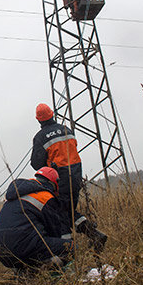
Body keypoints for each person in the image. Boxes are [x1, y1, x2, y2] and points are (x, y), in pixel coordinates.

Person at [31, 103, 107, 251]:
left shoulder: (40, 137)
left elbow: (36, 164)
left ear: (38, 120)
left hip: (59, 179)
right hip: (76, 175)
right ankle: (94, 234)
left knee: (60, 214)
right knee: (69, 211)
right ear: (52, 115)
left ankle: (68, 250)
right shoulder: (67, 130)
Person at [0, 167, 73, 272]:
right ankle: (45, 272)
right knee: (70, 247)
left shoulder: (14, 195)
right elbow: (55, 230)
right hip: (23, 248)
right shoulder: (45, 197)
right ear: (54, 183)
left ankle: (24, 271)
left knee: (32, 243)